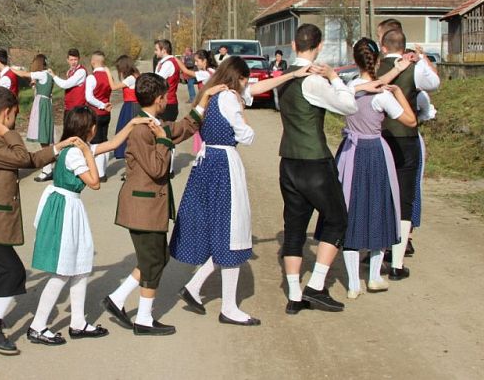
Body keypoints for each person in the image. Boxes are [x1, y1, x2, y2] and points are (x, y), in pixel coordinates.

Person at [171, 59, 312, 322]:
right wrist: (244, 111)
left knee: (223, 231)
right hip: (224, 164)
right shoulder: (230, 98)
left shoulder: (213, 93)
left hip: (207, 163)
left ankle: (195, 287)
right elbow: (247, 135)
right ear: (240, 78)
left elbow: (257, 88)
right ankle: (227, 307)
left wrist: (291, 75)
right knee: (233, 232)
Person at [0, 87, 77, 356]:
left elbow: (30, 159)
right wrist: (9, 133)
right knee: (13, 272)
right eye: (14, 116)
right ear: (8, 113)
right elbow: (23, 158)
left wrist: (58, 147)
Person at [102, 73, 220, 336]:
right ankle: (143, 318)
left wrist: (205, 100)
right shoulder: (142, 130)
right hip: (141, 208)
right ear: (158, 99)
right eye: (166, 96)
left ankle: (117, 299)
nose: (168, 99)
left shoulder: (153, 125)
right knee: (154, 261)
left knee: (157, 258)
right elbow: (157, 168)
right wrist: (164, 141)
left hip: (149, 208)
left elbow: (184, 127)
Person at [27, 109, 152, 346]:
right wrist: (87, 152)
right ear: (89, 128)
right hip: (64, 208)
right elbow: (95, 183)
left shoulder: (78, 148)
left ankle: (77, 322)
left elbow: (113, 143)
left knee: (81, 267)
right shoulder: (76, 152)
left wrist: (133, 123)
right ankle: (37, 326)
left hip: (71, 208)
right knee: (62, 270)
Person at [277, 24, 365, 315]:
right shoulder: (314, 81)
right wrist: (334, 77)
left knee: (294, 226)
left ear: (293, 45)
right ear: (319, 46)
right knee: (337, 219)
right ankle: (315, 285)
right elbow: (349, 106)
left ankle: (294, 294)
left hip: (288, 160)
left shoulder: (284, 78)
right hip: (314, 161)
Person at [338, 38, 416, 299]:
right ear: (378, 61)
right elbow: (410, 121)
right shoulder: (382, 95)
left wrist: (396, 70)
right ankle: (373, 276)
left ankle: (353, 284)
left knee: (351, 209)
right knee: (379, 209)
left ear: (355, 60)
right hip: (374, 152)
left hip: (350, 152)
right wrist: (398, 93)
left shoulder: (349, 87)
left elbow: (362, 86)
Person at [376, 25, 440, 279]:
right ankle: (397, 264)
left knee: (381, 194)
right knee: (404, 198)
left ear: (383, 47)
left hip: (379, 137)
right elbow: (434, 83)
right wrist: (420, 58)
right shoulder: (414, 69)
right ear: (404, 48)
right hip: (406, 137)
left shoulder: (375, 68)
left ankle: (375, 254)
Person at [12, 54, 56, 182]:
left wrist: (10, 69)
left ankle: (47, 169)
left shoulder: (41, 74)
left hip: (41, 105)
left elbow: (24, 74)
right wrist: (34, 85)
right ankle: (48, 167)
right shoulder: (47, 74)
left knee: (43, 137)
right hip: (45, 103)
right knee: (44, 137)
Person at [174, 49, 217, 156]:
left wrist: (175, 59)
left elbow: (186, 71)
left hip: (205, 107)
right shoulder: (213, 71)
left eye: (197, 61)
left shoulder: (205, 74)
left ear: (204, 61)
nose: (196, 64)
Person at [84, 51, 113, 181]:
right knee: (104, 140)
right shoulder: (109, 76)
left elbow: (89, 97)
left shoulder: (92, 77)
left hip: (96, 112)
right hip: (107, 113)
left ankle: (100, 173)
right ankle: (103, 170)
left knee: (96, 142)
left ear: (93, 62)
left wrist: (101, 105)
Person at [111, 55, 141, 162]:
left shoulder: (131, 78)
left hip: (131, 106)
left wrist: (107, 74)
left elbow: (113, 87)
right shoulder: (136, 75)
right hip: (133, 105)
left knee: (127, 133)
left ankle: (129, 158)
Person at [153, 39, 181, 122]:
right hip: (165, 103)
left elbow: (156, 81)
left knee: (164, 129)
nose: (155, 52)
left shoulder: (168, 64)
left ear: (164, 50)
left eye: (156, 50)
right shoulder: (164, 62)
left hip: (168, 104)